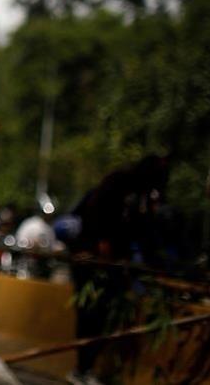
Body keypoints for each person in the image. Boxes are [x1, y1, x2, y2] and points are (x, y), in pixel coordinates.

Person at [65, 154, 170, 385]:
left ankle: (88, 368)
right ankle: (82, 369)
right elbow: (96, 214)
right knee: (89, 315)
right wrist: (103, 245)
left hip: (113, 267)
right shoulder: (118, 183)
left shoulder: (142, 198)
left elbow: (144, 234)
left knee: (103, 318)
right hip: (92, 263)